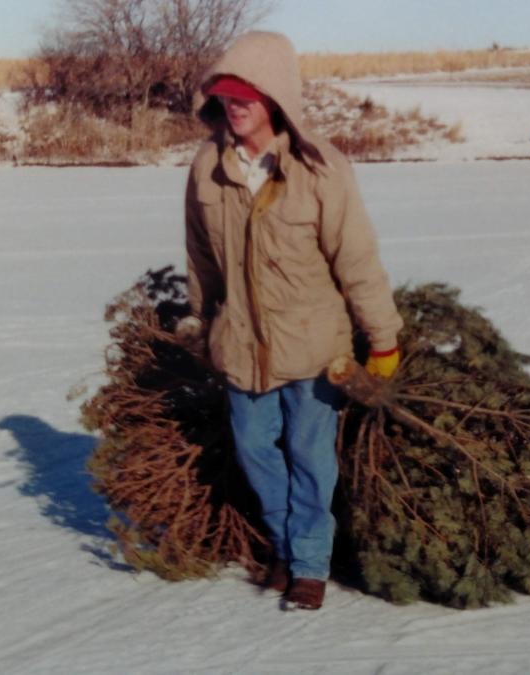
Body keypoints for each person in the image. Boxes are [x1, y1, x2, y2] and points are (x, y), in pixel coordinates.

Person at [182, 31, 403, 610]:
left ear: (276, 98)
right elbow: (202, 258)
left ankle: (307, 564)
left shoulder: (320, 168)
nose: (234, 107)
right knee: (255, 452)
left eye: (246, 96)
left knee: (310, 459)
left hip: (313, 348)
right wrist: (202, 326)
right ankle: (283, 546)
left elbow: (356, 258)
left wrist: (382, 339)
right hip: (242, 346)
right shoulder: (208, 166)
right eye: (227, 96)